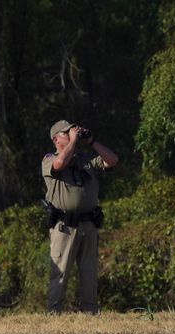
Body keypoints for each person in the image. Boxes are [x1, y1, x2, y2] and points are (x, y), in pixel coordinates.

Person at [41, 120, 119, 313]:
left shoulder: (86, 159)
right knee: (60, 272)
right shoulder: (49, 159)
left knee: (89, 271)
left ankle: (90, 312)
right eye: (67, 133)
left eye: (73, 131)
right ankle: (54, 313)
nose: (73, 134)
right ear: (56, 139)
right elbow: (60, 164)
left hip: (89, 224)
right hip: (64, 226)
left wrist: (92, 141)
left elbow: (112, 161)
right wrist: (73, 142)